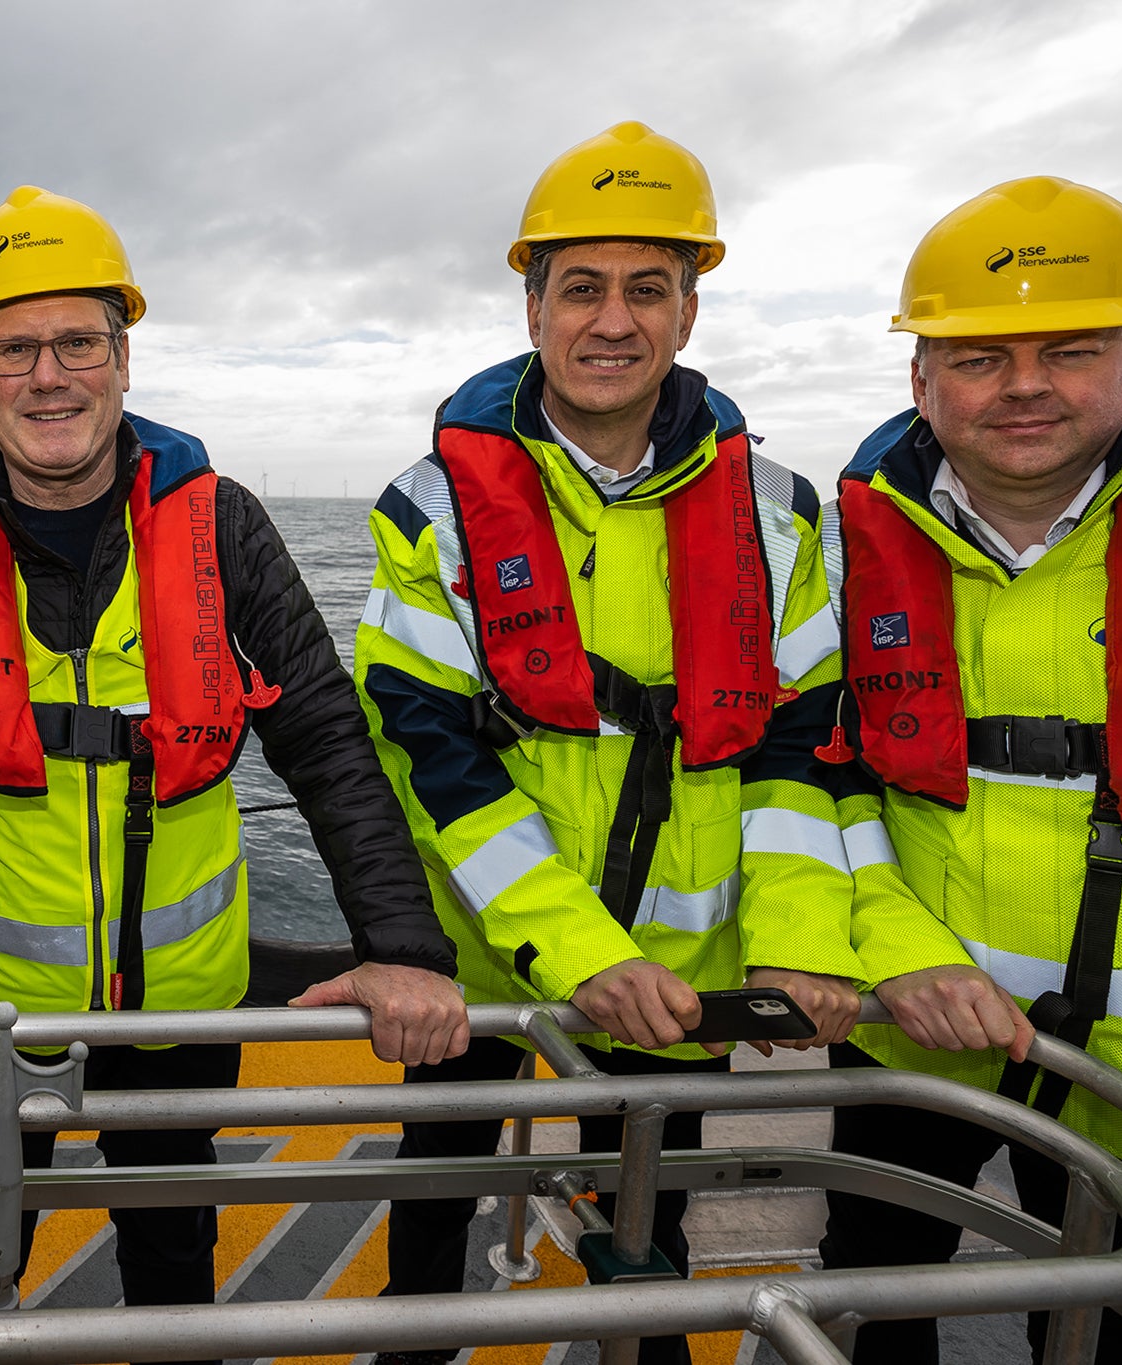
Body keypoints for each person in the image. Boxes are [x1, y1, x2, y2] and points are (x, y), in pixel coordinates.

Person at [0, 185, 468, 1345]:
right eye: (13, 347)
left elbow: (324, 742)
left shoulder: (224, 527)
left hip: (181, 1005)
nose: (47, 376)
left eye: (76, 343)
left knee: (172, 1252)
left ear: (122, 358)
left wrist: (402, 950)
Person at [353, 122, 864, 1365]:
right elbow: (428, 749)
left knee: (654, 1227)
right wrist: (573, 947)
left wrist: (797, 947)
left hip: (684, 972)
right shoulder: (433, 511)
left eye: (647, 289)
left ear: (688, 314)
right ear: (531, 309)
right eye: (579, 287)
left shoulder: (781, 517)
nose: (611, 320)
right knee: (431, 1199)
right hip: (484, 955)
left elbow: (802, 759)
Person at [818, 175, 1122, 1363]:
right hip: (912, 1036)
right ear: (920, 380)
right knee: (868, 1299)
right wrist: (896, 952)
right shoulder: (846, 554)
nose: (1024, 386)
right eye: (979, 357)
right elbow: (813, 785)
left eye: (1066, 348)